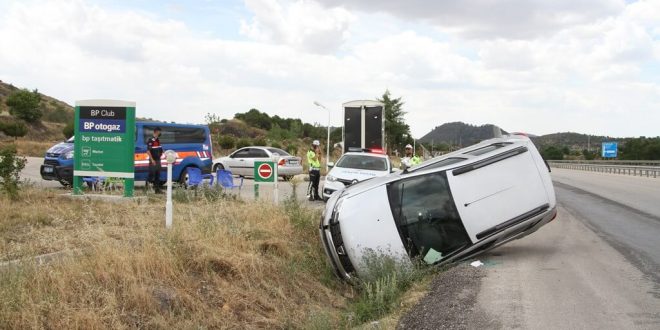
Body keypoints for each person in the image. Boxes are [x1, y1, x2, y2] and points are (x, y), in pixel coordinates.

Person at [147, 127, 163, 193]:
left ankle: (157, 190)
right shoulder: (150, 140)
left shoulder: (158, 140)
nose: (160, 133)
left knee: (157, 175)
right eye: (159, 132)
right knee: (151, 175)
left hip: (158, 160)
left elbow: (161, 149)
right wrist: (152, 160)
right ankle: (148, 189)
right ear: (156, 132)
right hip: (153, 160)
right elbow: (148, 151)